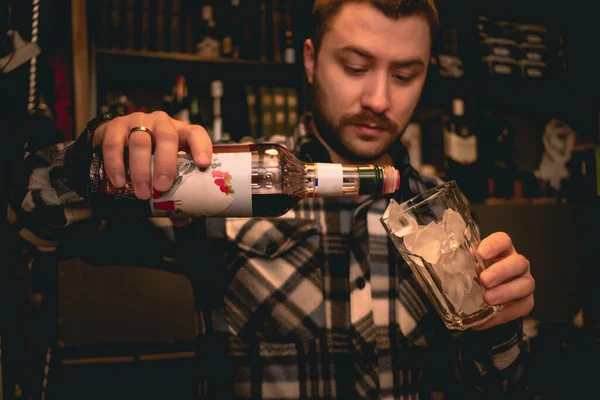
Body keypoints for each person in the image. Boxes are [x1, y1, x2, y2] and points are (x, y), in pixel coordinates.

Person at [8, 0, 535, 398]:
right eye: (354, 66)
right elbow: (27, 224)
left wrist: (497, 330)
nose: (379, 99)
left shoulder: (439, 214)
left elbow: (500, 386)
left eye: (405, 74)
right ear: (310, 60)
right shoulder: (226, 183)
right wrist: (97, 161)